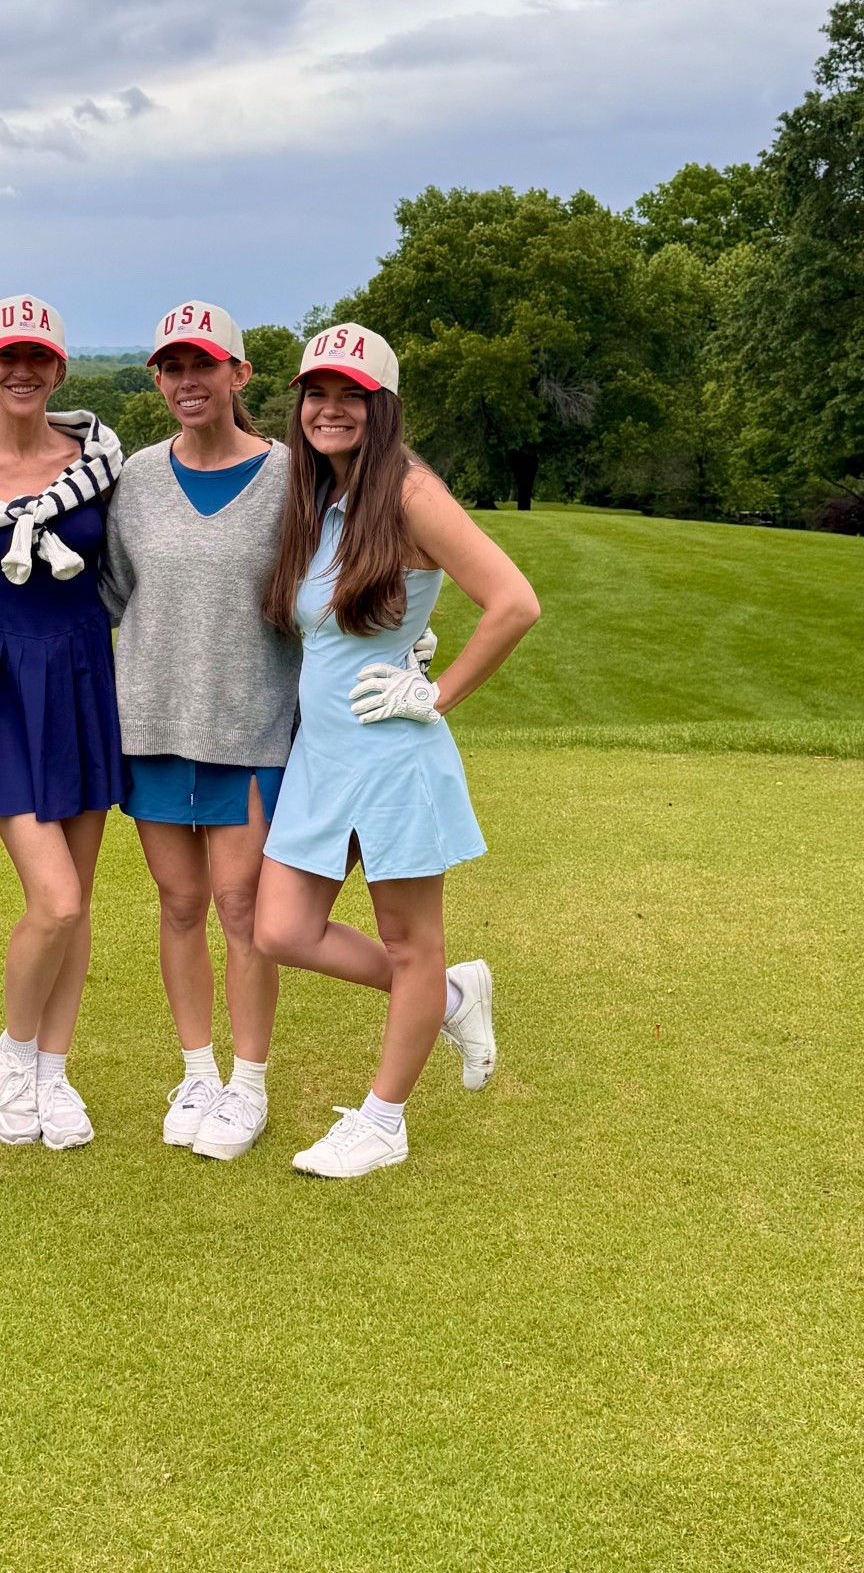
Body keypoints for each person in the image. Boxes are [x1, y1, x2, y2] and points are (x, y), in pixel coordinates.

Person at [253, 320, 540, 1181]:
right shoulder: (322, 497)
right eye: (318, 392)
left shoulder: (409, 491)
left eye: (353, 395)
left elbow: (514, 602)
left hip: (391, 753)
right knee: (281, 930)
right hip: (323, 758)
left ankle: (384, 1121)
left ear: (384, 409)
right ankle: (453, 996)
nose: (331, 409)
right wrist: (404, 633)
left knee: (411, 942)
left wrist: (437, 688)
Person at [0, 295, 123, 1152]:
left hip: (82, 676)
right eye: (7, 356)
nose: (22, 369)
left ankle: (54, 1070)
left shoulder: (103, 464)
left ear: (60, 370)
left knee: (77, 909)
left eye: (38, 356)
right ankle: (12, 1054)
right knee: (56, 897)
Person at [102, 301, 299, 1163]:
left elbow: (343, 577)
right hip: (150, 726)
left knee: (242, 909)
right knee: (179, 906)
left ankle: (248, 1084)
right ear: (158, 379)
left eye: (204, 366)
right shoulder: (136, 479)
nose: (189, 381)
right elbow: (111, 594)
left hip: (252, 728)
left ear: (238, 376)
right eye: (173, 368)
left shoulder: (295, 477)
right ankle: (197, 1072)